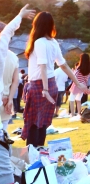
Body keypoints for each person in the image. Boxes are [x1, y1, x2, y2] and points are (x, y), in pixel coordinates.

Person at [21, 12, 85, 147]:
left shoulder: (39, 42)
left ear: (36, 25)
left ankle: (32, 157)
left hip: (40, 86)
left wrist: (44, 89)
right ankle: (38, 153)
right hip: (51, 84)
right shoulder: (53, 42)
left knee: (34, 123)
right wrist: (78, 83)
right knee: (42, 124)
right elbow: (64, 66)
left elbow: (42, 66)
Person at [0, 49, 19, 125]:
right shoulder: (13, 56)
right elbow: (15, 81)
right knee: (3, 132)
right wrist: (10, 99)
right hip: (7, 99)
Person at [68, 52, 90, 119]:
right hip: (83, 85)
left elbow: (75, 76)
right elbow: (87, 78)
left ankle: (72, 114)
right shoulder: (88, 68)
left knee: (71, 99)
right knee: (78, 100)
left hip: (77, 84)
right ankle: (79, 114)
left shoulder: (79, 68)